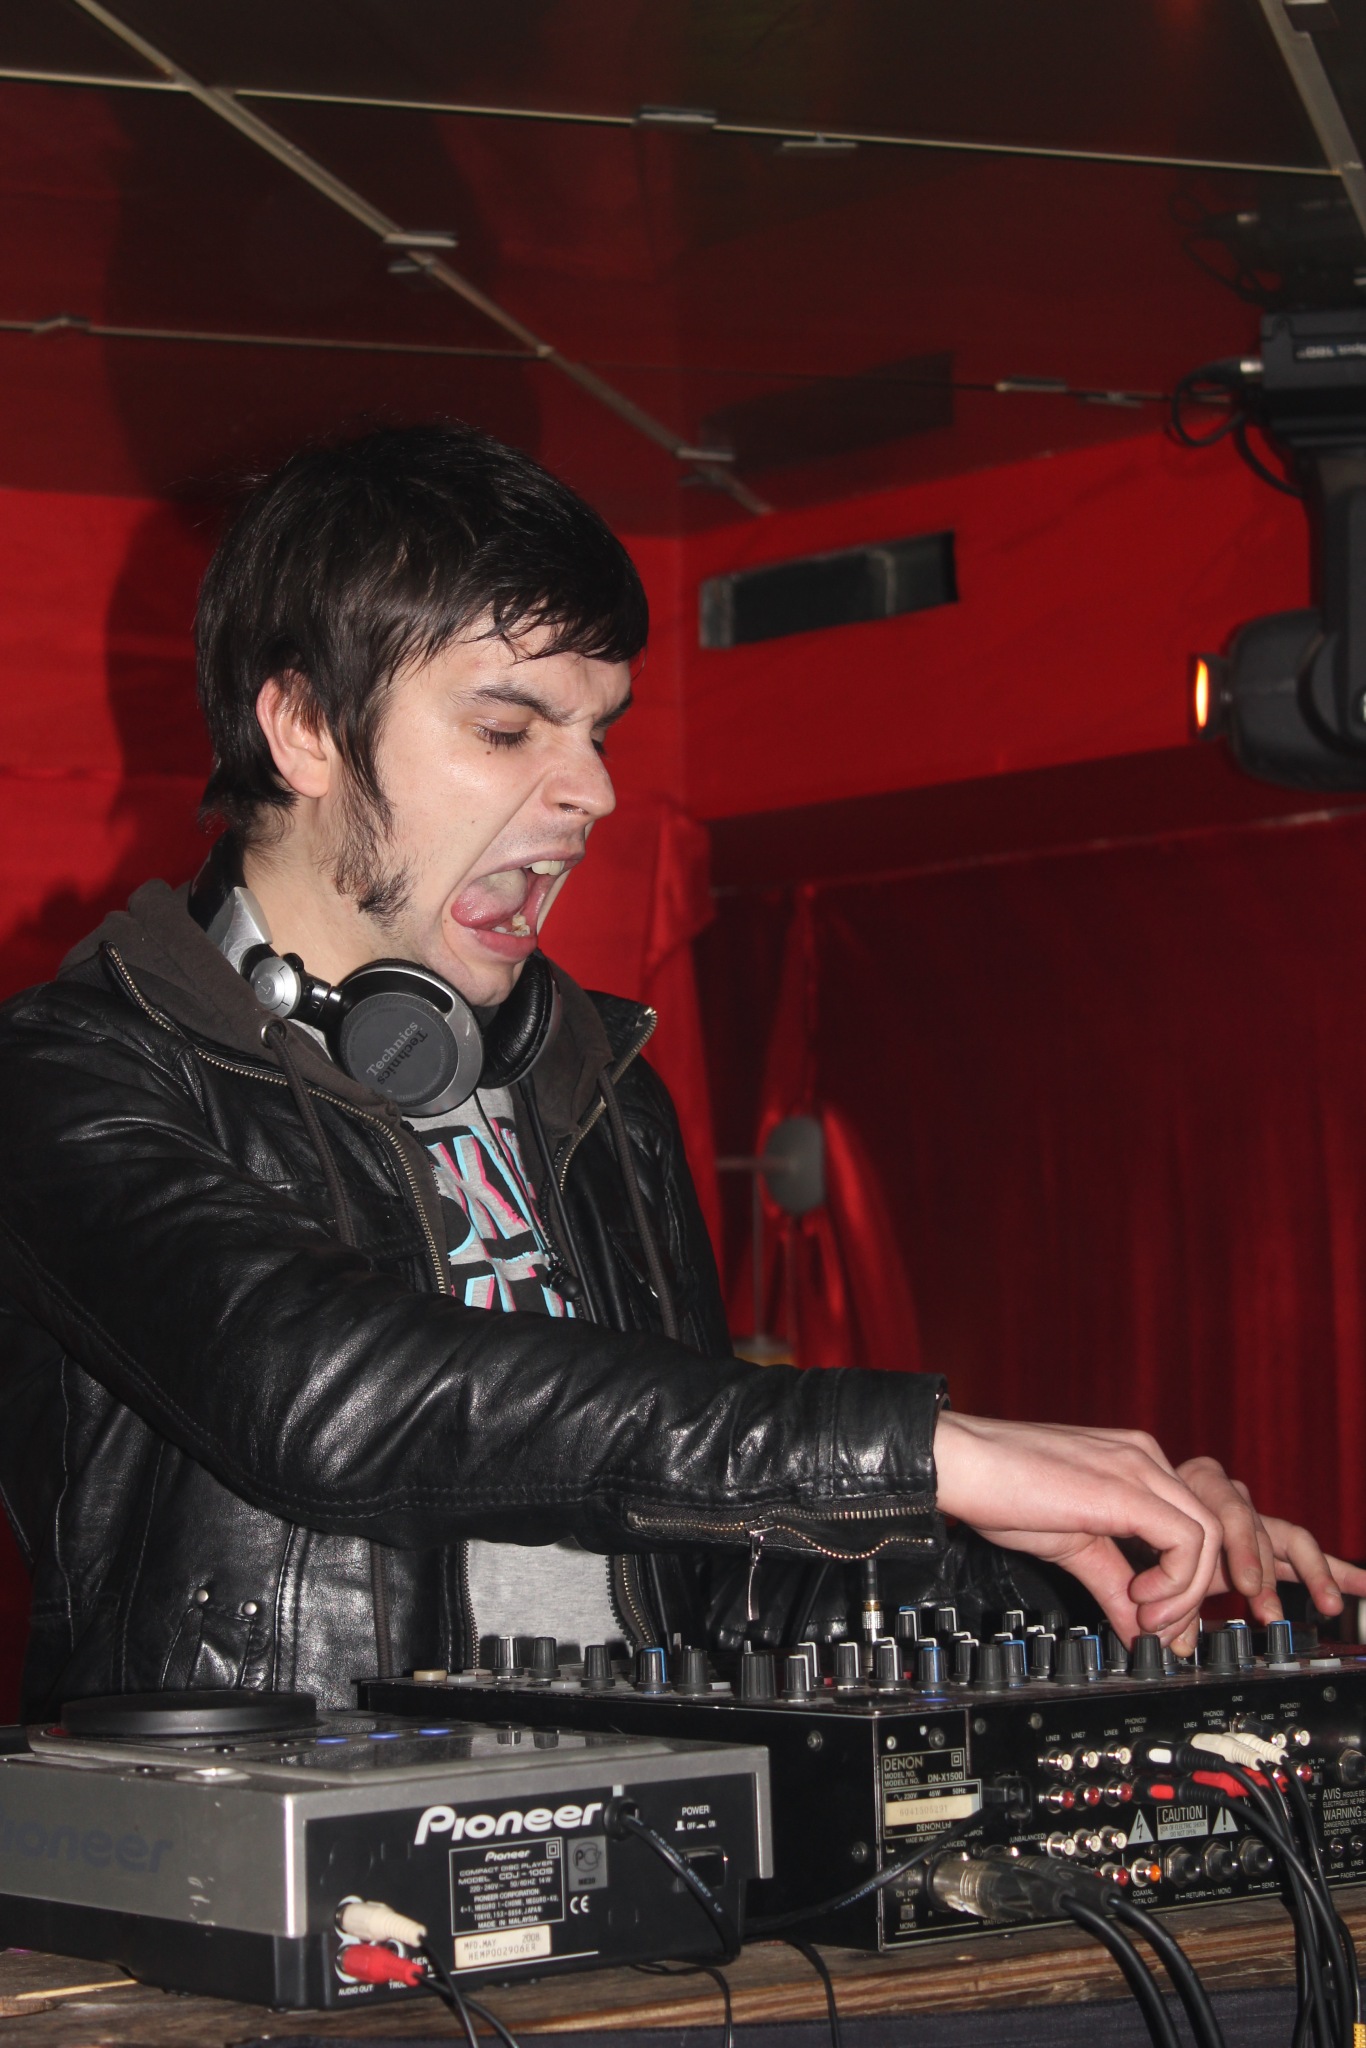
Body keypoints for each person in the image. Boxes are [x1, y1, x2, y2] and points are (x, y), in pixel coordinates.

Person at [0, 424, 1358, 1716]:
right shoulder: (74, 1074)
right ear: (301, 728)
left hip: (636, 1847)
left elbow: (722, 1582)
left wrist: (1089, 1572)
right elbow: (317, 1389)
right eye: (510, 728)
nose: (590, 791)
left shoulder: (595, 1090)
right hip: (271, 1859)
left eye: (598, 731)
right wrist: (917, 1450)